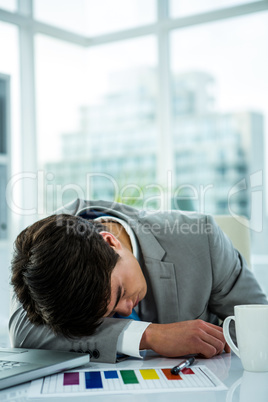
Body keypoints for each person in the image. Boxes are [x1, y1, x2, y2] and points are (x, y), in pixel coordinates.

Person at [9, 198, 267, 363]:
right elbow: (23, 331)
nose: (125, 309)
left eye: (120, 293)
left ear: (111, 242)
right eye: (107, 314)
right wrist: (148, 335)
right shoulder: (43, 254)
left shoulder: (202, 240)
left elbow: (260, 327)